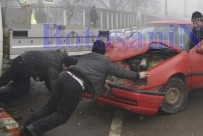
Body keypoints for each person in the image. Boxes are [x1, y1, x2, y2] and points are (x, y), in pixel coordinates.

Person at [20, 40, 149, 136]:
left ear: (93, 49)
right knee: (62, 115)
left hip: (64, 76)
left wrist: (102, 80)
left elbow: (86, 68)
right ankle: (34, 130)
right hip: (75, 84)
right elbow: (121, 73)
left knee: (49, 107)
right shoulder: (105, 62)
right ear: (104, 52)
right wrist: (138, 75)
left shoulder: (86, 56)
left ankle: (25, 125)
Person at [0, 50, 78, 101]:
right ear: (64, 64)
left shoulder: (61, 56)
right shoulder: (54, 66)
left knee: (23, 89)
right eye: (66, 69)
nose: (65, 71)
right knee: (3, 81)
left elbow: (49, 80)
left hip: (26, 70)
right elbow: (54, 82)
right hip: (21, 63)